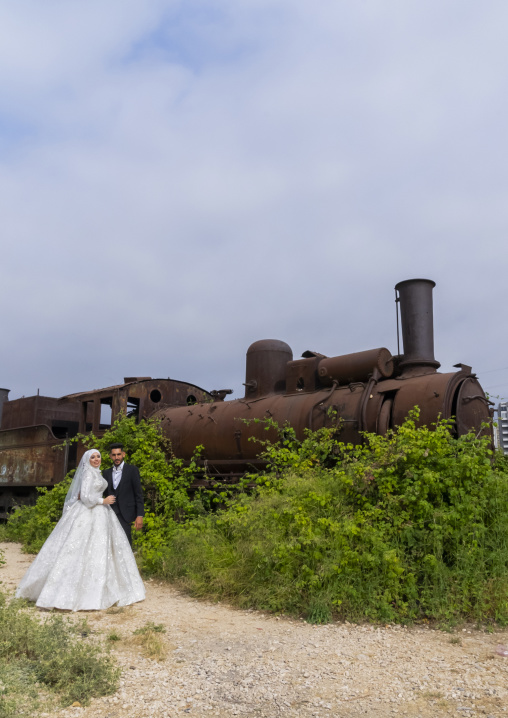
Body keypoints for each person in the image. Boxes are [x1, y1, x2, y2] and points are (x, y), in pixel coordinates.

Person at [16, 449, 145, 611]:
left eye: (98, 456)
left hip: (102, 514)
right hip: (90, 511)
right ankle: (72, 595)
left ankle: (104, 589)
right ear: (87, 460)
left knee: (101, 550)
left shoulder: (97, 473)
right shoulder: (88, 474)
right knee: (78, 548)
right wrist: (102, 500)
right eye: (93, 457)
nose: (96, 459)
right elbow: (85, 497)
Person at [102, 443, 144, 546]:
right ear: (110, 456)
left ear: (123, 454)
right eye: (114, 455)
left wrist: (140, 515)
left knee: (126, 544)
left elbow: (138, 494)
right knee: (110, 543)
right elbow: (103, 492)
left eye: (119, 454)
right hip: (110, 512)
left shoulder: (132, 470)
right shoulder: (106, 473)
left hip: (126, 513)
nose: (117, 457)